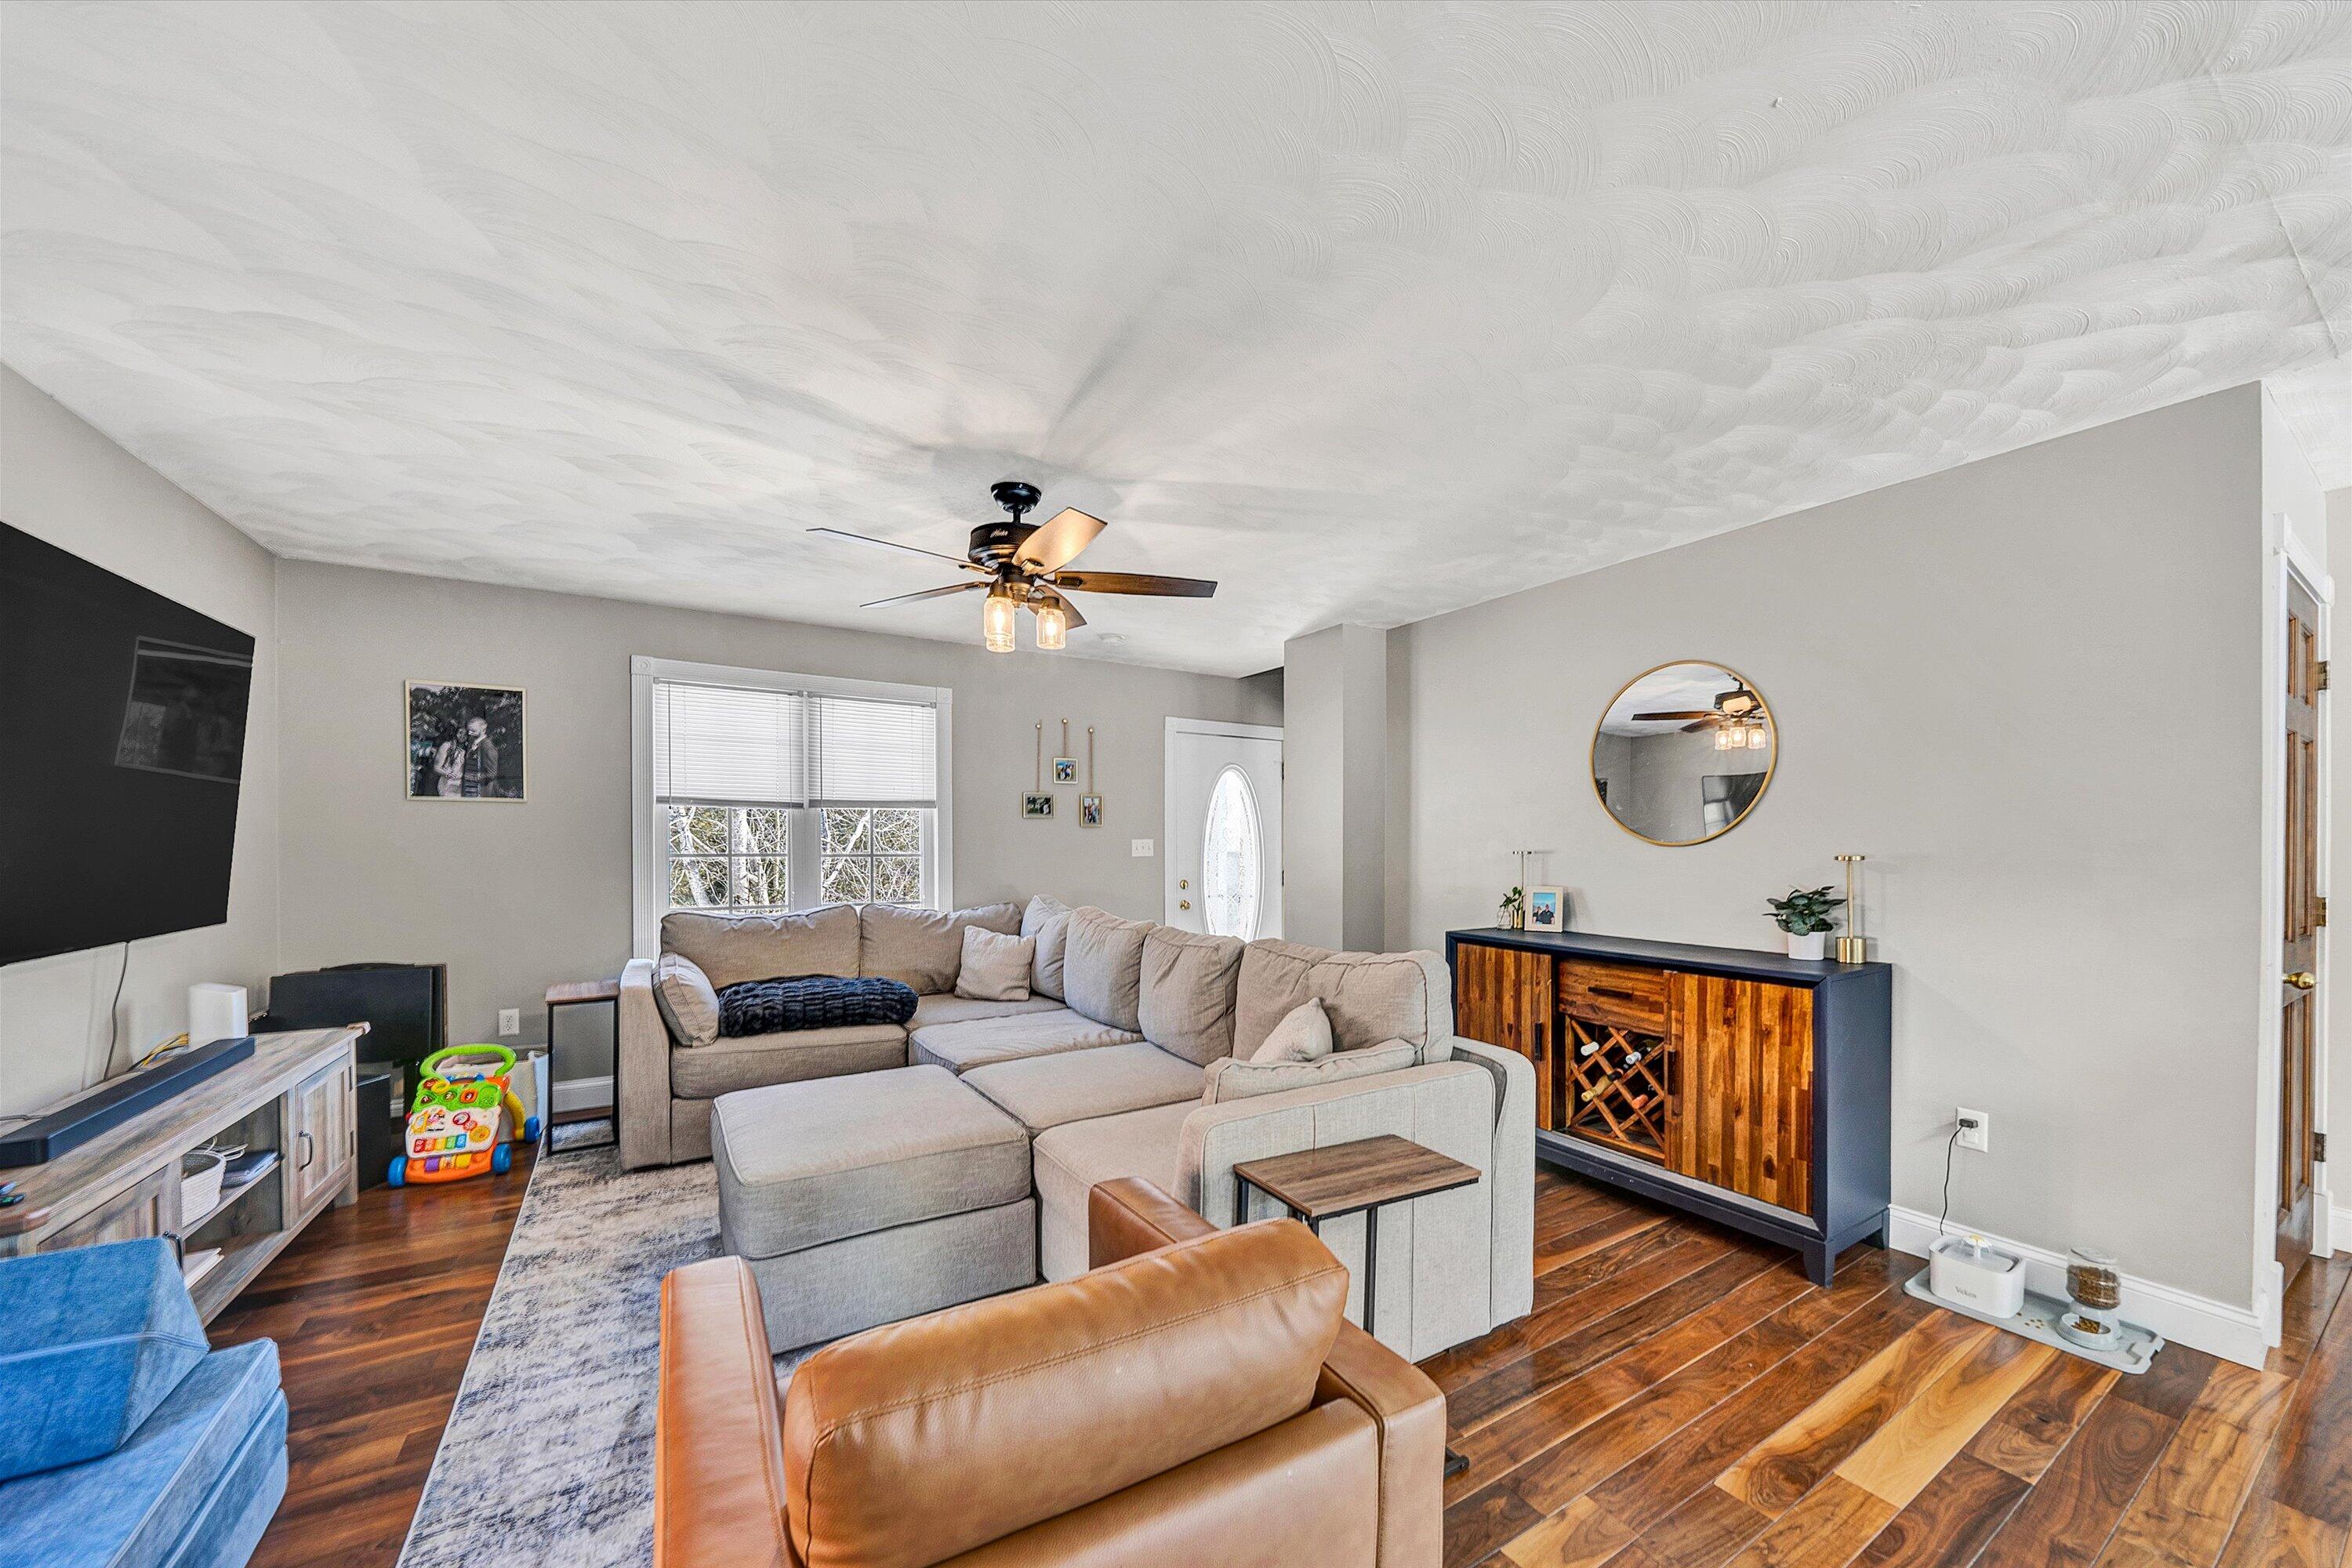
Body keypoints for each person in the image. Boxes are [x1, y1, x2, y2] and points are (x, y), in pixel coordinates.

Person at [460, 715, 502, 797]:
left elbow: (492, 774)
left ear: (483, 730)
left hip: (482, 791)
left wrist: (473, 777)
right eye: (469, 730)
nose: (469, 733)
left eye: (473, 731)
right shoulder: (473, 743)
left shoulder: (488, 747)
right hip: (470, 789)